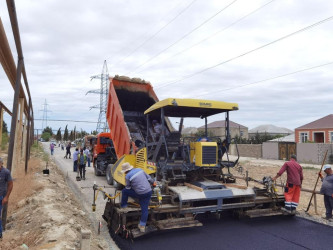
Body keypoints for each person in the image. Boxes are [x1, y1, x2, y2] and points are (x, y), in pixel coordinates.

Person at [120, 162, 155, 233]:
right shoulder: (140, 170)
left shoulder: (127, 176)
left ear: (126, 171)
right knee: (145, 210)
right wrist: (153, 183)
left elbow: (128, 187)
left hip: (140, 194)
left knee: (124, 191)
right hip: (148, 192)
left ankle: (124, 206)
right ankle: (142, 226)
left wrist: (134, 186)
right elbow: (149, 179)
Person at [0, 158, 13, 239]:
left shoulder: (6, 172)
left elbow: (10, 185)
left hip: (1, 197)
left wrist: (6, 197)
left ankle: (0, 234)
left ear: (1, 164)